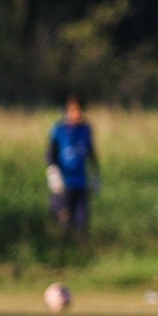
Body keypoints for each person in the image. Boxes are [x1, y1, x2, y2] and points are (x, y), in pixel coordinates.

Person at [45, 95, 100, 250]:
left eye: (79, 110)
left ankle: (83, 251)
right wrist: (53, 172)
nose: (77, 113)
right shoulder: (58, 130)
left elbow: (90, 152)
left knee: (82, 220)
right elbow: (50, 154)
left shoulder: (85, 129)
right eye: (73, 110)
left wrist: (95, 174)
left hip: (80, 182)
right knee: (65, 219)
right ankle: (63, 252)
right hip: (64, 183)